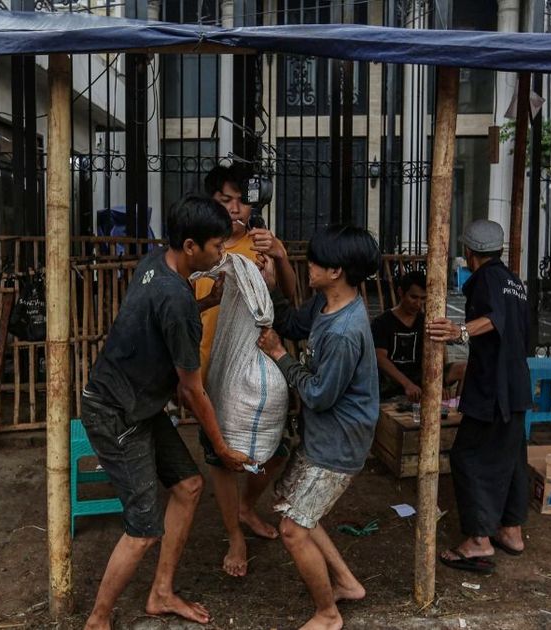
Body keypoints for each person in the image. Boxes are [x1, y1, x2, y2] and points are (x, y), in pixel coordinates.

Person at [80, 195, 252, 630]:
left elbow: (165, 318)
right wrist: (223, 448)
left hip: (139, 403)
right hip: (117, 412)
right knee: (143, 528)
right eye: (216, 246)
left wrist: (206, 304)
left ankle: (161, 593)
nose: (222, 253)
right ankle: (98, 620)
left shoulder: (158, 262)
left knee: (189, 486)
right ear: (191, 246)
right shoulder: (175, 298)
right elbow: (193, 392)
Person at [256, 224, 381, 630]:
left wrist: (279, 356)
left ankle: (328, 614)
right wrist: (272, 285)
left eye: (316, 261)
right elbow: (292, 324)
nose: (308, 265)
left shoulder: (345, 331)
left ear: (337, 271)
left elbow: (320, 395)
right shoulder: (326, 304)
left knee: (292, 530)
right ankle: (346, 582)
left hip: (340, 442)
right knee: (291, 504)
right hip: (322, 434)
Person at [193, 164, 299, 577]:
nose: (236, 208)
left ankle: (247, 506)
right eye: (225, 200)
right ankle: (235, 536)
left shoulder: (261, 243)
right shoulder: (201, 245)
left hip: (256, 368)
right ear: (211, 203)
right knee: (221, 459)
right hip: (207, 367)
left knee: (275, 453)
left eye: (242, 200)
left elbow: (288, 297)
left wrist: (279, 258)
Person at [427, 219, 532, 575]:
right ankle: (511, 531)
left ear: (469, 253)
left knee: (467, 456)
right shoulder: (514, 281)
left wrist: (459, 330)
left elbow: (495, 318)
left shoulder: (487, 278)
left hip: (495, 390)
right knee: (512, 457)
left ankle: (478, 540)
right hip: (516, 384)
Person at [371, 270, 466, 403]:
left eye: (423, 298)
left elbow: (435, 354)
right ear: (400, 293)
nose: (418, 303)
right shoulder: (382, 322)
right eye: (413, 297)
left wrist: (439, 384)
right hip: (392, 381)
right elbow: (380, 358)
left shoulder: (425, 321)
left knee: (464, 368)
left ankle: (456, 409)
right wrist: (407, 384)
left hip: (421, 377)